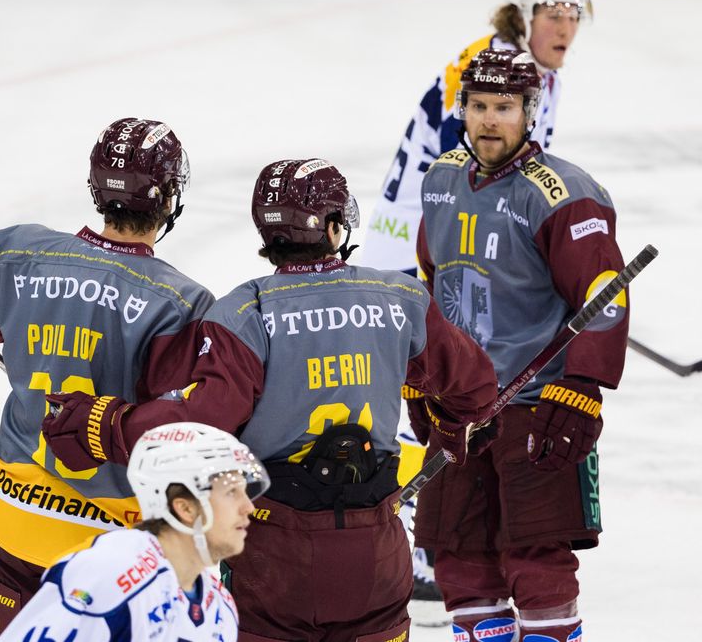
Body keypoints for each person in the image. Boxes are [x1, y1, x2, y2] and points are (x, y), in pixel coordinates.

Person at [42, 157, 500, 642]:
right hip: (375, 552)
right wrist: (449, 424)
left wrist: (103, 425)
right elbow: (476, 388)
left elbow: (199, 422)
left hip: (274, 557)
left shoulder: (245, 312)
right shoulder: (398, 297)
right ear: (330, 225)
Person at [0, 117, 214, 641]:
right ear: (168, 198)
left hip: (12, 520)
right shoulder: (181, 303)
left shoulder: (21, 252)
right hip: (110, 551)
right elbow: (188, 423)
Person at [356, 0, 592, 623]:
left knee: (463, 387)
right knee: (448, 390)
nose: (567, 26)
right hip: (423, 245)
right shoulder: (501, 71)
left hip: (437, 237)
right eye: (555, 12)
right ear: (524, 14)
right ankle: (426, 547)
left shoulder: (517, 66)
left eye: (575, 15)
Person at [411, 48, 629, 642]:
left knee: (536, 555)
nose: (488, 120)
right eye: (478, 106)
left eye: (504, 107)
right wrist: (422, 372)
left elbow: (603, 297)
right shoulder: (440, 179)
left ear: (530, 112)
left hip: (536, 401)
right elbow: (434, 282)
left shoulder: (563, 193)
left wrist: (581, 387)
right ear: (461, 109)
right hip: (459, 406)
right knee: (458, 557)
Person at [0, 422, 266, 642]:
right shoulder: (112, 573)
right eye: (232, 492)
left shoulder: (220, 607)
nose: (248, 507)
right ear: (185, 508)